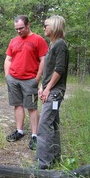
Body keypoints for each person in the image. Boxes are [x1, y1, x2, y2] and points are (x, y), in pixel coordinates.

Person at [4, 15, 48, 150]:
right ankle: (19, 131)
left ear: (28, 25)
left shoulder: (38, 40)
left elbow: (43, 60)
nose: (18, 31)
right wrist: (7, 76)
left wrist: (37, 78)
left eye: (21, 28)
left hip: (30, 80)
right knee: (17, 105)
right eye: (16, 29)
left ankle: (35, 135)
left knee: (32, 107)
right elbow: (8, 59)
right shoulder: (14, 41)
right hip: (14, 79)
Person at [35, 15, 69, 169]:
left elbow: (59, 69)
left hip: (55, 92)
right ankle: (55, 158)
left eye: (46, 25)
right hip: (51, 90)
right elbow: (49, 71)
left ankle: (43, 164)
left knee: (43, 125)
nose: (44, 28)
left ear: (54, 27)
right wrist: (42, 87)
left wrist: (48, 88)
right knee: (53, 124)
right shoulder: (53, 45)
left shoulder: (60, 44)